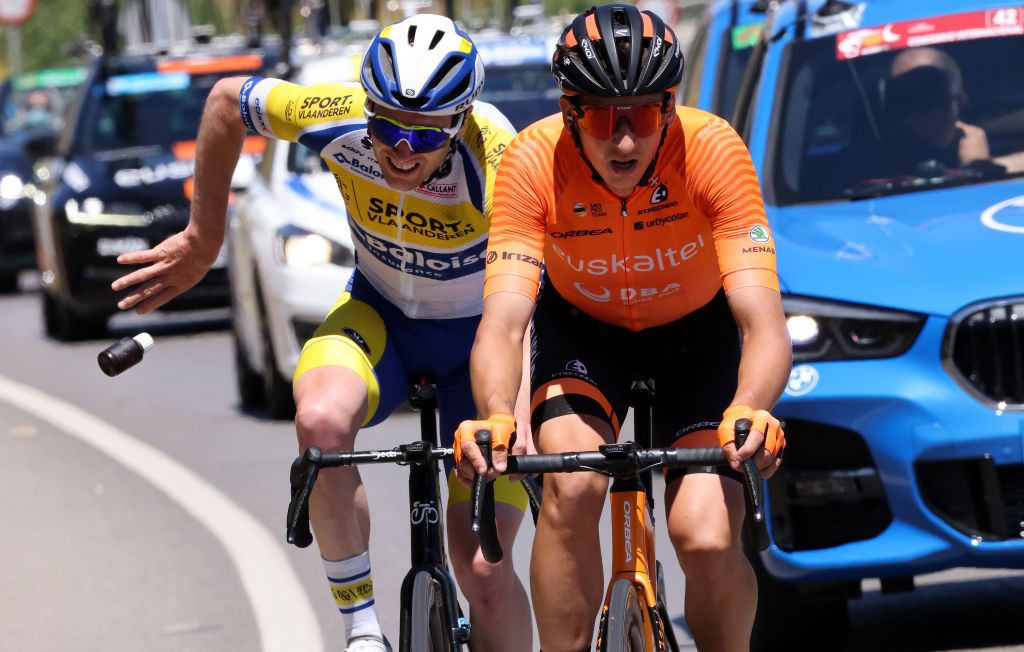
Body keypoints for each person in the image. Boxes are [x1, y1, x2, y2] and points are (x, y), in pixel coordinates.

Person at [110, 14, 533, 652]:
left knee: (482, 570)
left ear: (463, 117)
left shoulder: (497, 154)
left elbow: (517, 306)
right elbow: (228, 102)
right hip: (380, 313)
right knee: (321, 422)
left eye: (427, 134)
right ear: (368, 107)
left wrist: (514, 412)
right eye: (388, 125)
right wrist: (204, 238)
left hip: (482, 338)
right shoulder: (332, 112)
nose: (403, 150)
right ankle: (361, 629)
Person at [454, 4, 790, 651]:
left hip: (697, 339)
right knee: (572, 487)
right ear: (569, 108)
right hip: (585, 334)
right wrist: (497, 412)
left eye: (644, 113)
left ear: (670, 105)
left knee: (706, 534)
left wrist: (752, 406)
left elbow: (763, 321)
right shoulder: (532, 161)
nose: (626, 140)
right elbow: (501, 322)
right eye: (605, 118)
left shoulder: (713, 150)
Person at [878, 46, 991, 176]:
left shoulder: (985, 139)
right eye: (910, 98)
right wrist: (978, 170)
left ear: (961, 99)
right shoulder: (868, 164)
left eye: (935, 94)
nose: (942, 113)